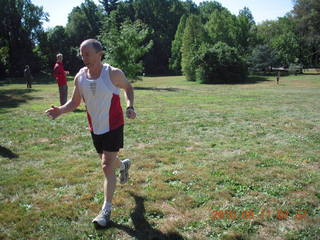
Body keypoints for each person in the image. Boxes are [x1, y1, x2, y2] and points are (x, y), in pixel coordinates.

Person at [45, 39, 136, 228]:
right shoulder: (80, 77)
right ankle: (123, 166)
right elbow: (75, 102)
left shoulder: (112, 73)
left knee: (105, 165)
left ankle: (106, 211)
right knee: (109, 162)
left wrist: (130, 106)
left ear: (99, 54)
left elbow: (128, 87)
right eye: (81, 54)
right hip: (96, 127)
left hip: (113, 125)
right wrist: (60, 110)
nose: (83, 57)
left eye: (87, 54)